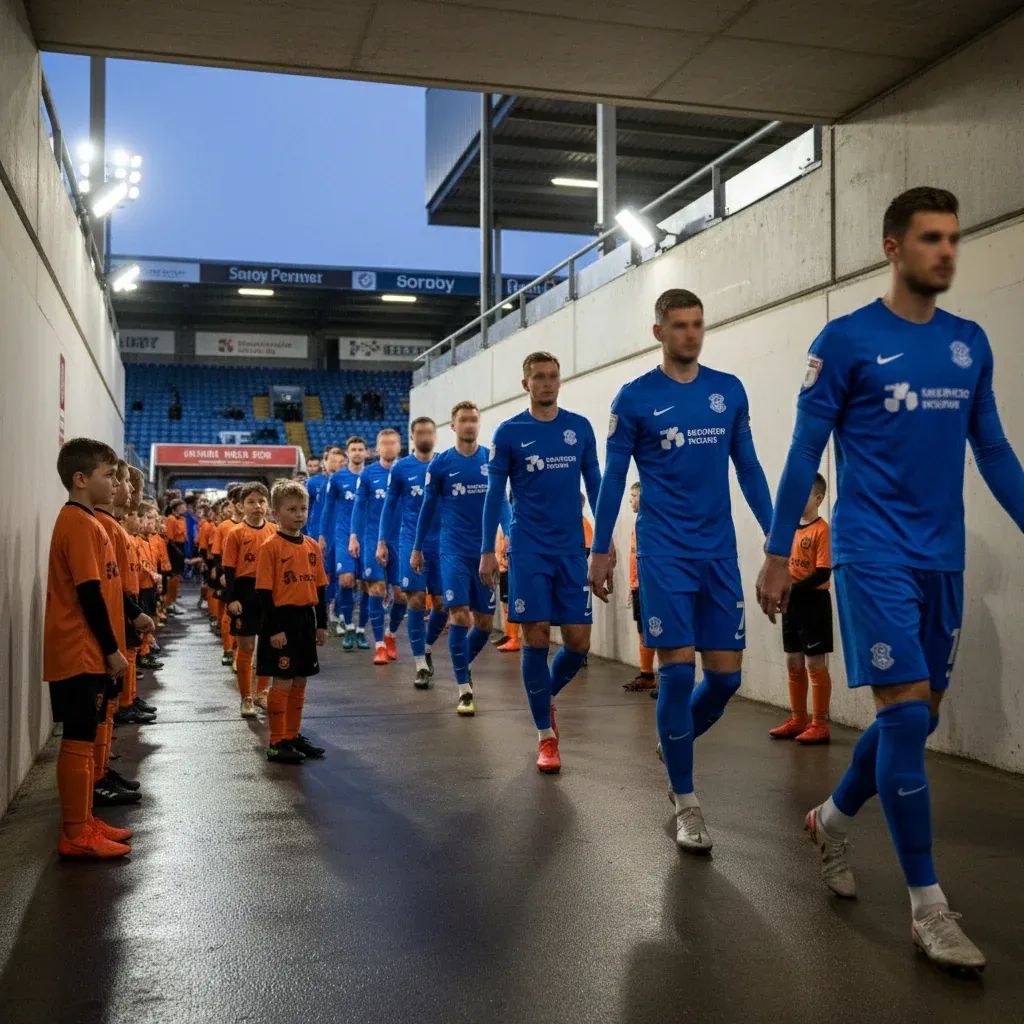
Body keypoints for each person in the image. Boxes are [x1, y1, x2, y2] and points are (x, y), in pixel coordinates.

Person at [756, 187, 1024, 972]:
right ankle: (928, 909)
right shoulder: (845, 341)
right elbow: (805, 453)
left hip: (942, 557)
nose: (947, 250)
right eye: (932, 238)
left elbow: (996, 453)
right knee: (904, 721)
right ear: (892, 247)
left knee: (918, 721)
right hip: (871, 551)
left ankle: (833, 819)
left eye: (953, 238)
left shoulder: (969, 343)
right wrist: (778, 549)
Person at [590, 288, 773, 852]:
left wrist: (778, 536)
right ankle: (687, 802)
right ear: (659, 332)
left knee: (725, 678)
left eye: (698, 325)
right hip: (665, 550)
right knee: (675, 671)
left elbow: (748, 467)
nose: (691, 334)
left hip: (718, 551)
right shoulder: (636, 398)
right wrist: (600, 547)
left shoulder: (728, 391)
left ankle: (675, 743)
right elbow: (613, 479)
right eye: (680, 325)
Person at [480, 352, 601, 773]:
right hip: (528, 549)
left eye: (553, 376)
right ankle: (545, 737)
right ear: (525, 383)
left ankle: (542, 695)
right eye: (539, 377)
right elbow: (494, 496)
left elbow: (596, 484)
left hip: (571, 550)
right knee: (534, 638)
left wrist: (603, 539)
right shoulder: (509, 432)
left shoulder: (579, 428)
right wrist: (486, 551)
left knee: (578, 643)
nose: (547, 383)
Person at [43, 438, 134, 858]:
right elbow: (89, 594)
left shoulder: (89, 522)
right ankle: (75, 831)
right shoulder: (78, 523)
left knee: (83, 735)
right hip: (79, 650)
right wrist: (112, 648)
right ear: (81, 480)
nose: (115, 482)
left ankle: (85, 821)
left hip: (87, 650)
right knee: (77, 738)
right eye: (108, 475)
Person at [413, 401, 504, 716]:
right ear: (452, 426)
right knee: (459, 616)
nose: (469, 425)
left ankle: (461, 664)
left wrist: (509, 532)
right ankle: (464, 689)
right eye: (463, 420)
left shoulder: (491, 459)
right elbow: (427, 507)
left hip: (485, 553)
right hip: (451, 550)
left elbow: (502, 501)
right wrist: (416, 547)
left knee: (484, 623)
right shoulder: (440, 465)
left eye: (474, 420)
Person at [256, 480, 329, 764]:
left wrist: (321, 624)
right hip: (280, 620)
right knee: (283, 679)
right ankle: (276, 742)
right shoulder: (270, 547)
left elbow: (321, 588)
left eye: (303, 508)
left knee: (300, 679)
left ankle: (292, 734)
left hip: (304, 619)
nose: (299, 514)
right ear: (275, 513)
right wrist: (274, 629)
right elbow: (263, 593)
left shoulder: (311, 545)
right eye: (291, 509)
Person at [378, 417, 449, 689]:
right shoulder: (401, 469)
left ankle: (427, 646)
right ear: (413, 435)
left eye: (429, 431)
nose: (425, 436)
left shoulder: (445, 463)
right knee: (417, 600)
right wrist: (382, 541)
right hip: (411, 541)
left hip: (443, 542)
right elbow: (389, 505)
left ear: (435, 434)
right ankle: (419, 662)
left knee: (443, 604)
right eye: (420, 432)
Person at [768, 473, 833, 744]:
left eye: (804, 494)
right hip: (791, 603)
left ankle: (820, 723)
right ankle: (798, 718)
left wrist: (793, 588)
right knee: (792, 659)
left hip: (814, 603)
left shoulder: (822, 530)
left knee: (814, 662)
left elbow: (822, 572)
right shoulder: (789, 529)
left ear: (818, 499)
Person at [350, 428, 403, 667]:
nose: (389, 447)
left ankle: (391, 634)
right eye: (385, 443)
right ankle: (379, 644)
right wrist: (354, 536)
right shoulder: (369, 474)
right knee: (376, 590)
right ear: (377, 448)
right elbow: (359, 506)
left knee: (402, 595)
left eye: (393, 443)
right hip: (373, 539)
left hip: (402, 540)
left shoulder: (407, 470)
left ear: (399, 446)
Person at [223, 482, 276, 718]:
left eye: (262, 501)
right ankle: (246, 697)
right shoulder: (236, 533)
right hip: (244, 593)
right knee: (246, 647)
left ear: (268, 505)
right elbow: (229, 568)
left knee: (268, 645)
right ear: (242, 506)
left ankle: (262, 692)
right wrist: (232, 598)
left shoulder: (274, 531)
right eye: (251, 502)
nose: (257, 506)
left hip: (269, 593)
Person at [320, 438, 370, 650]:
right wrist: (322, 534)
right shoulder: (338, 478)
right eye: (353, 449)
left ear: (366, 453)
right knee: (346, 580)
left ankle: (360, 630)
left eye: (360, 449)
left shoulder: (374, 475)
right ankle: (347, 624)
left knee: (368, 584)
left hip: (369, 536)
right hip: (343, 535)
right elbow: (327, 508)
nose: (357, 453)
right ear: (347, 453)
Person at [622, 482, 657, 694]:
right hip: (639, 586)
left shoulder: (653, 522)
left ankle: (668, 679)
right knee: (643, 631)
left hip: (651, 587)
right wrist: (632, 585)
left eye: (634, 496)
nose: (631, 501)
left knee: (657, 629)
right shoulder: (639, 522)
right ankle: (646, 675)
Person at [211, 483, 244, 667]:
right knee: (229, 613)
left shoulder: (256, 526)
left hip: (248, 577)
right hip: (229, 575)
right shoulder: (224, 527)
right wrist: (221, 572)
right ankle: (228, 649)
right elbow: (217, 553)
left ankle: (242, 652)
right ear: (233, 503)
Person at [164, 498, 187, 614]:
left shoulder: (182, 519)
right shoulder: (171, 519)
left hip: (180, 548)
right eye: (182, 506)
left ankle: (172, 601)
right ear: (176, 508)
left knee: (177, 577)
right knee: (173, 577)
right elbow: (169, 538)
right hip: (173, 549)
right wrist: (177, 551)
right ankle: (169, 603)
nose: (185, 508)